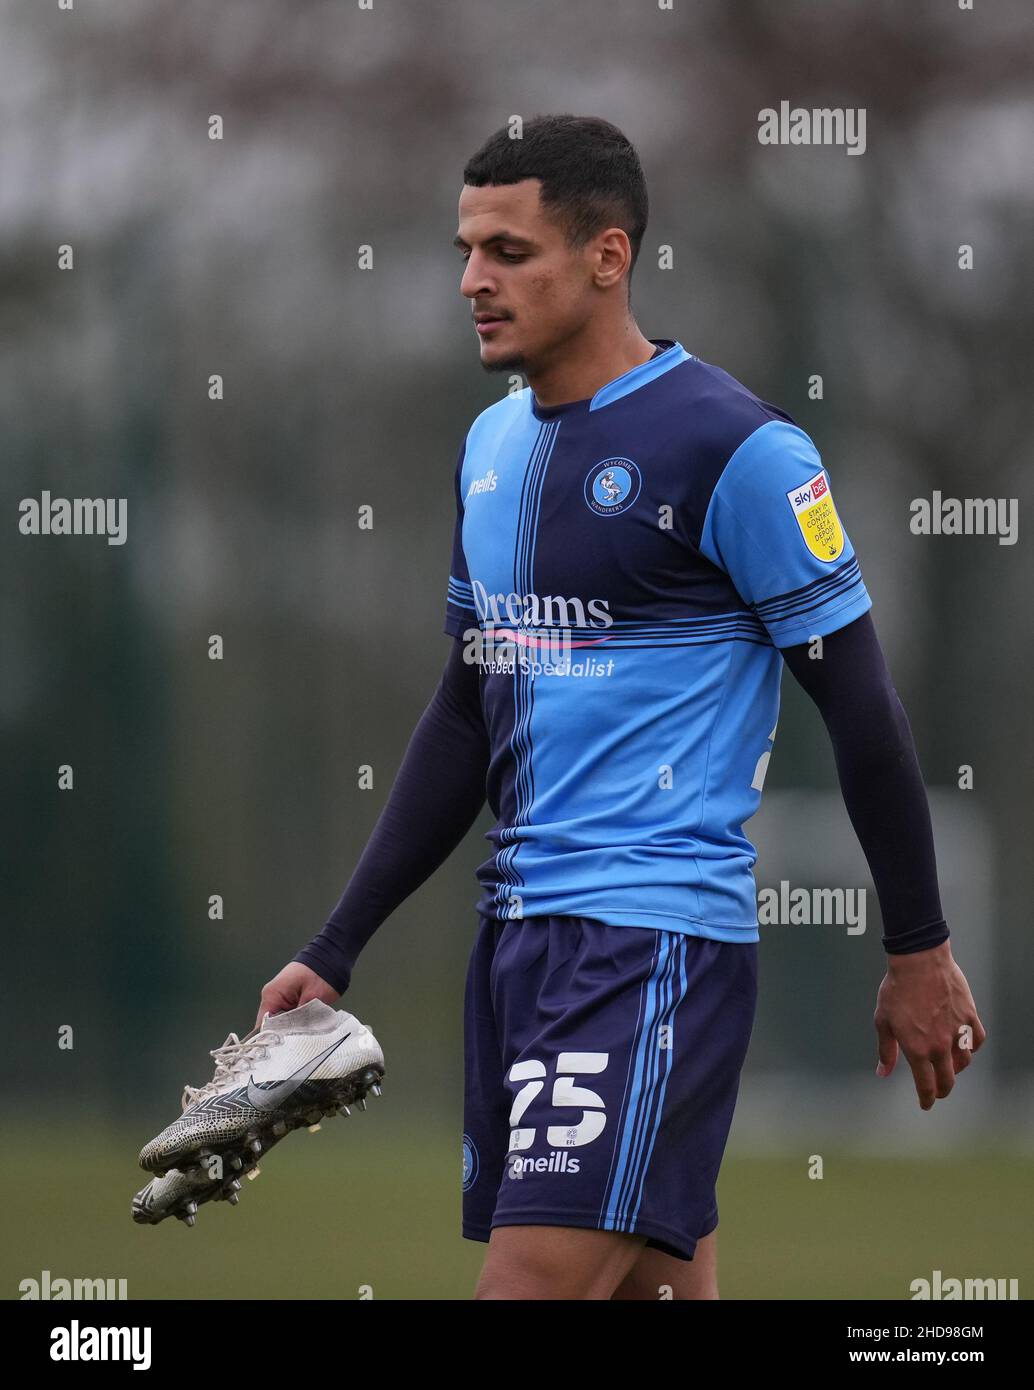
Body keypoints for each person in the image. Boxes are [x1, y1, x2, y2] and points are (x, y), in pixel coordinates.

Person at [256, 114, 986, 1300]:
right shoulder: (488, 448)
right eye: (465, 250)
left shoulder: (735, 448)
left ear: (607, 256)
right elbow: (462, 714)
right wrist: (335, 946)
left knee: (530, 1287)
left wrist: (916, 945)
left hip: (646, 943)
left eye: (508, 251)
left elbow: (857, 702)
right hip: (520, 944)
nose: (472, 283)